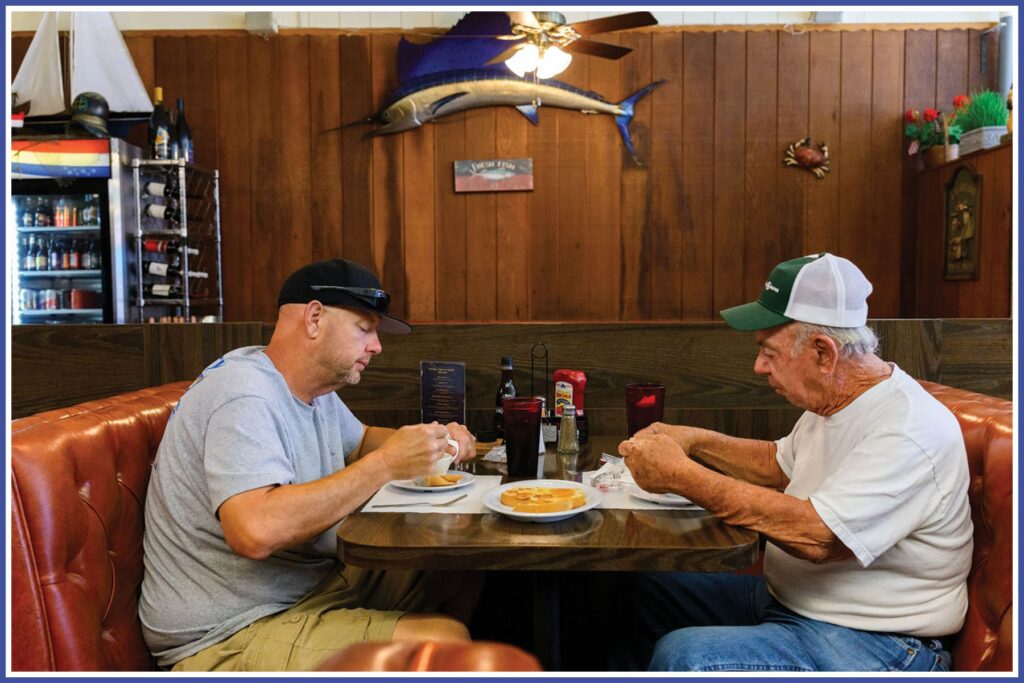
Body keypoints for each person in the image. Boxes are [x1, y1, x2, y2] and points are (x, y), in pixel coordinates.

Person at [616, 252, 973, 672]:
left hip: (880, 642)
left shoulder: (909, 429)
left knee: (687, 657)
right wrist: (695, 440)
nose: (758, 367)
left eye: (768, 351)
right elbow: (780, 464)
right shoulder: (837, 398)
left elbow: (819, 538)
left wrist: (682, 475)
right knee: (634, 587)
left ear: (823, 353)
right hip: (795, 604)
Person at [140, 258, 479, 671]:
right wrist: (387, 465)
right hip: (226, 634)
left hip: (307, 589)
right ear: (315, 318)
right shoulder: (243, 395)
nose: (377, 346)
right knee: (446, 647)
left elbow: (361, 442)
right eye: (364, 328)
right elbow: (254, 530)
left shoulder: (309, 388)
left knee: (456, 564)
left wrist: (433, 441)